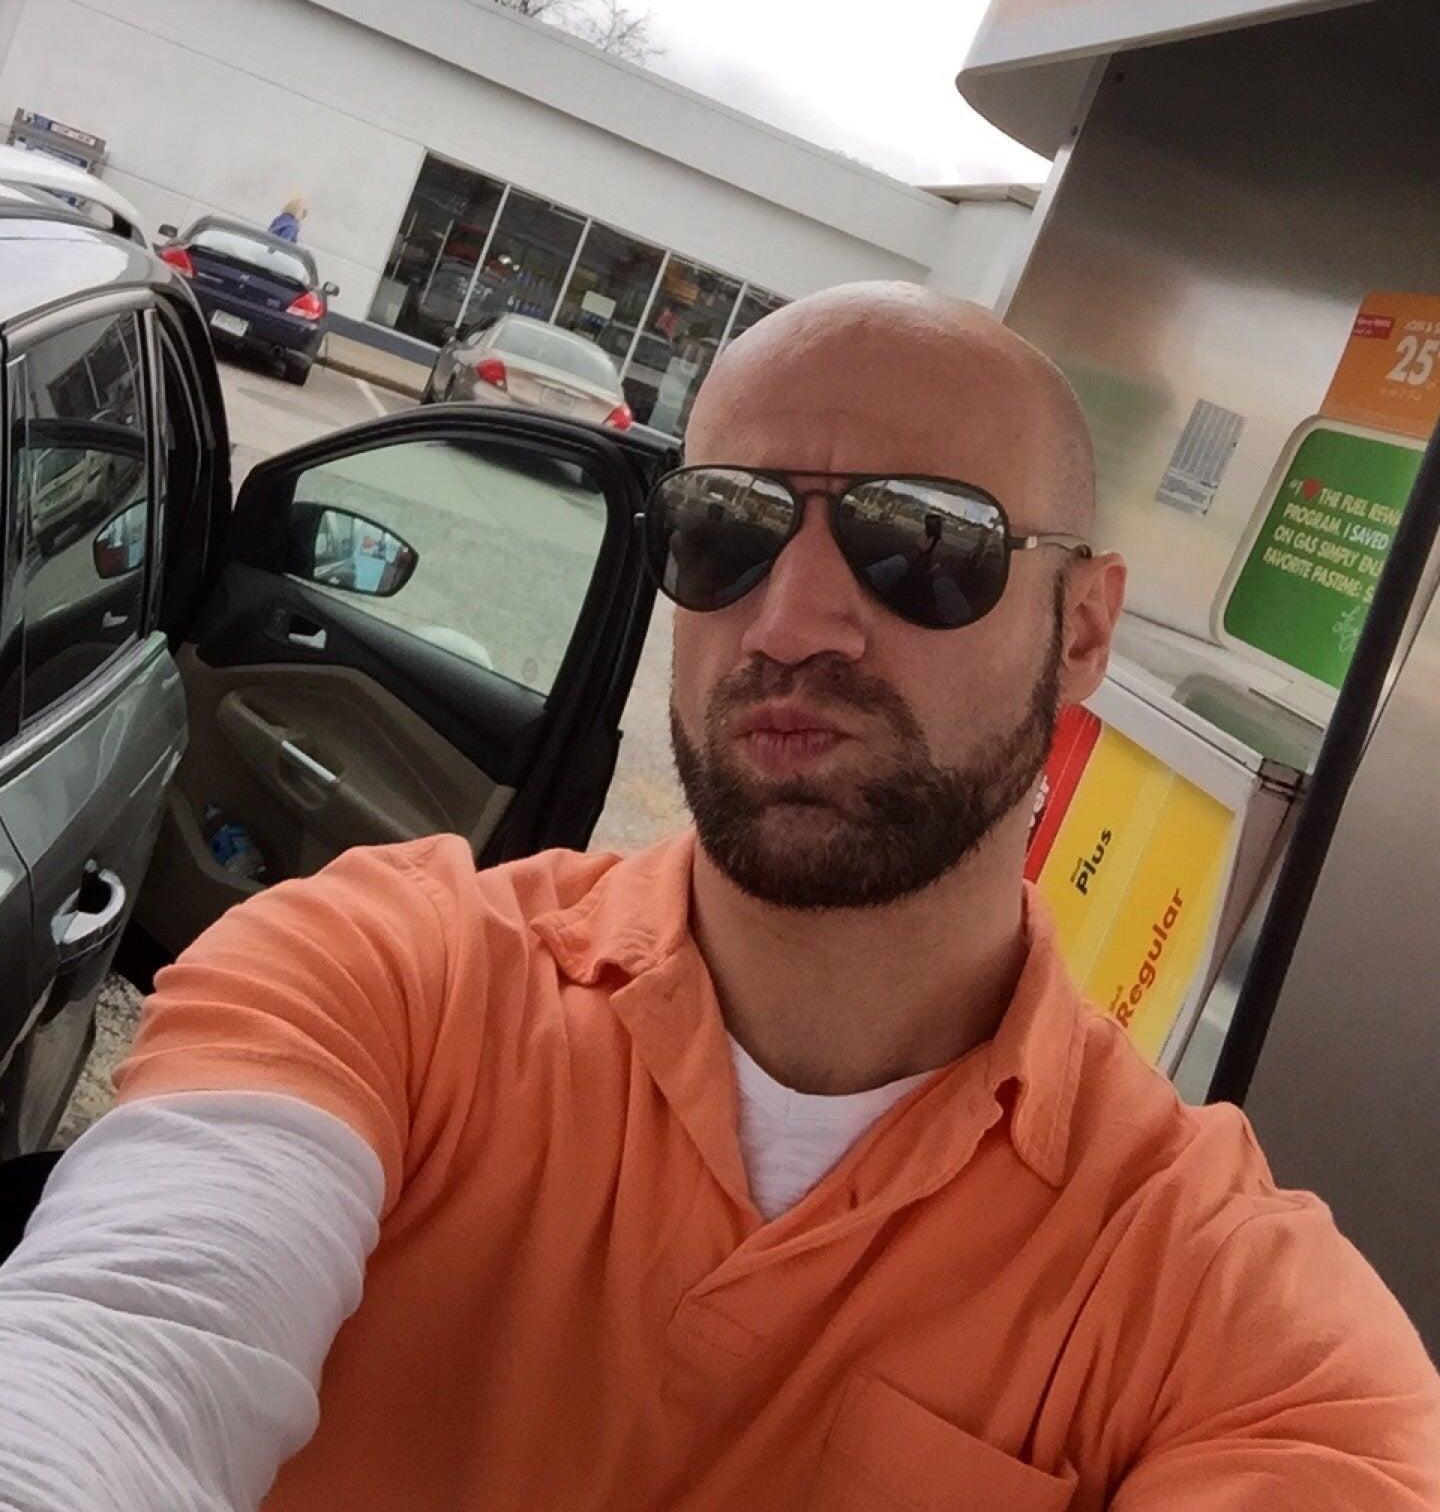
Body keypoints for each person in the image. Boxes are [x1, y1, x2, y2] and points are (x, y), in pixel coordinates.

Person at [1, 285, 1437, 1511]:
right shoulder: (388, 966)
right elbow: (125, 1342)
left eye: (924, 544)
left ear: (1085, 629)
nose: (791, 623)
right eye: (725, 529)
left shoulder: (1219, 1296)